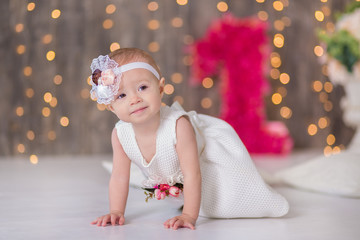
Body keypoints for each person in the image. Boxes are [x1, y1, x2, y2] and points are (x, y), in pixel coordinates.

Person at [90, 48, 289, 230]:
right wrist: (116, 211)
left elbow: (193, 174)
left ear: (160, 89)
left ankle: (257, 183)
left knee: (231, 202)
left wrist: (189, 215)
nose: (135, 99)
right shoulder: (120, 135)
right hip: (176, 181)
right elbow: (119, 176)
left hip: (208, 168)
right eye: (122, 95)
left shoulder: (178, 126)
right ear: (111, 107)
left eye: (142, 88)